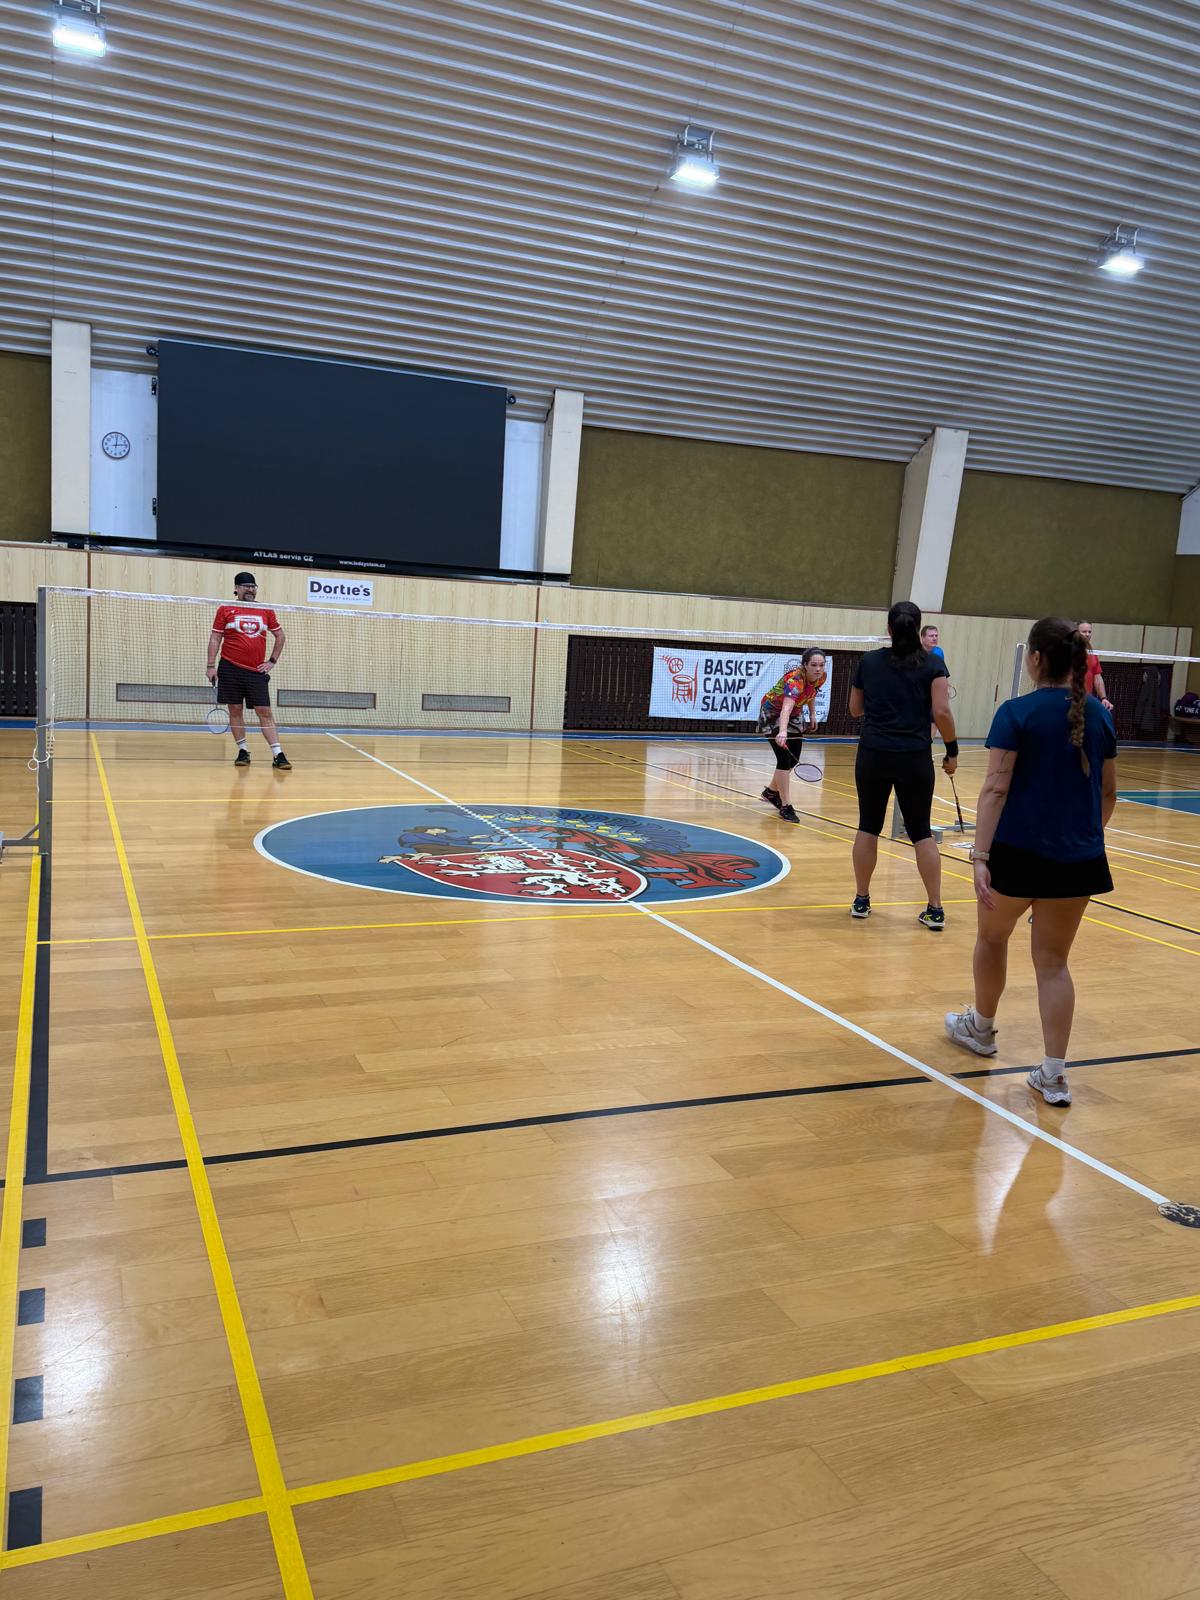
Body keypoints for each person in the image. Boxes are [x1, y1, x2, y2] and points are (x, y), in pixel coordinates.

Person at [944, 617, 1117, 1106]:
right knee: (1054, 964)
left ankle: (981, 1030)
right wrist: (1082, 840)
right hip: (1078, 861)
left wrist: (980, 855)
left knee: (992, 938)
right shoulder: (1099, 716)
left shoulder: (1016, 712)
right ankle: (1054, 1075)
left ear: (1036, 658)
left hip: (1016, 856)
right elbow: (1108, 794)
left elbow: (995, 788)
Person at [848, 600, 956, 928]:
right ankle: (935, 909)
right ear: (919, 629)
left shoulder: (869, 662)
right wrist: (952, 750)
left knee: (868, 826)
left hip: (874, 754)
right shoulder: (934, 664)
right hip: (914, 757)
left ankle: (862, 899)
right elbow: (941, 712)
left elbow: (855, 709)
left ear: (889, 629)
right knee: (921, 831)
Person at [206, 572, 292, 770]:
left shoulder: (265, 610)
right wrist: (210, 666)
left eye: (253, 586)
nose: (250, 590)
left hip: (255, 671)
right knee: (235, 710)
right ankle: (243, 751)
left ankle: (278, 754)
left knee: (265, 711)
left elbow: (280, 636)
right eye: (246, 586)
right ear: (236, 589)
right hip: (229, 668)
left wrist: (272, 661)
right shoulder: (225, 609)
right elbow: (215, 638)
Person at [757, 649, 828, 823]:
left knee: (793, 759)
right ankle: (786, 806)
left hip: (795, 713)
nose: (818, 669)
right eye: (814, 665)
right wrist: (782, 731)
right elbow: (786, 708)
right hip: (773, 713)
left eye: (821, 665)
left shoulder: (821, 677)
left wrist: (812, 715)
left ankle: (771, 792)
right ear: (805, 665)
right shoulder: (795, 681)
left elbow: (811, 693)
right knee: (784, 759)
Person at [1077, 620, 1114, 712]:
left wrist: (1103, 698)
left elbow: (1097, 678)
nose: (1087, 634)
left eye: (1089, 632)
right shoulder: (1067, 652)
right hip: (1068, 699)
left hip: (1086, 701)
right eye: (1084, 632)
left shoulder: (1093, 654)